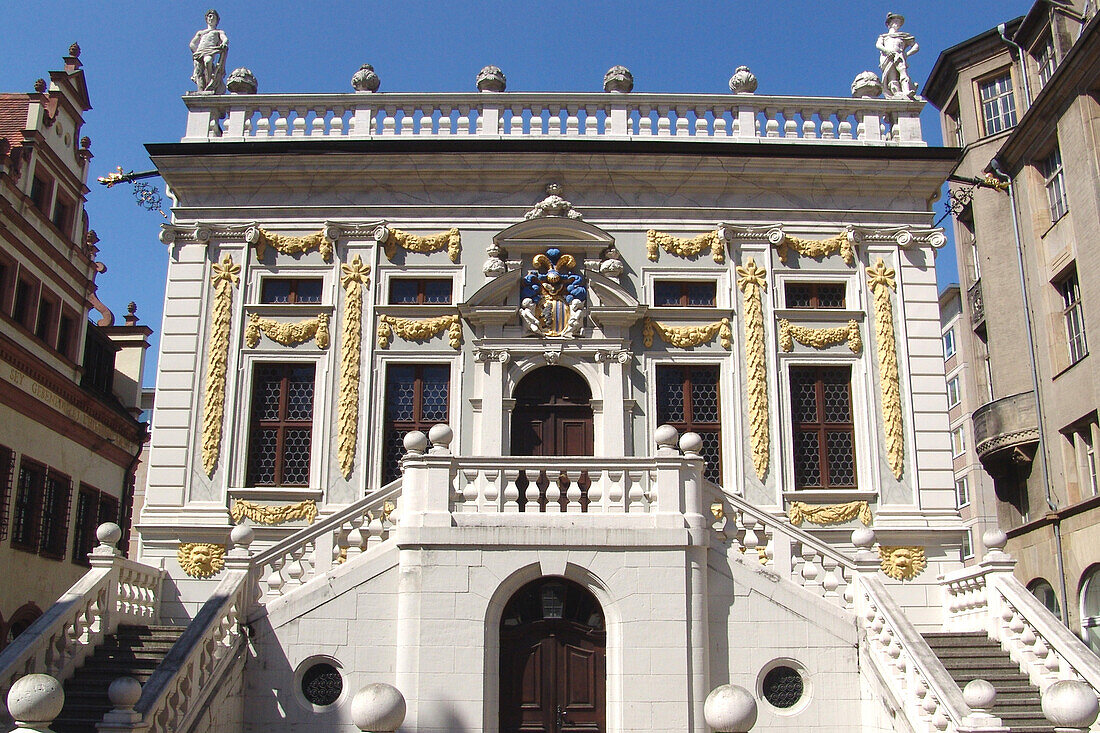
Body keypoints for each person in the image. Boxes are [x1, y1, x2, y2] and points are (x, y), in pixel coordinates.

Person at [876, 13, 919, 99]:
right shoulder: (884, 36)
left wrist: (906, 54)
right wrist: (887, 51)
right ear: (889, 24)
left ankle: (906, 90)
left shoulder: (903, 36)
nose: (897, 24)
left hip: (899, 56)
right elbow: (878, 45)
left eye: (899, 22)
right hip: (887, 57)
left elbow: (916, 46)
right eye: (895, 21)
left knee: (903, 72)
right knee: (892, 76)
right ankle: (897, 93)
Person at [191, 9, 229, 93]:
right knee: (199, 72)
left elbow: (225, 39)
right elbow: (192, 43)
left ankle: (210, 84)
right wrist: (196, 51)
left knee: (208, 61)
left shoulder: (218, 31)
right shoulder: (201, 32)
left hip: (210, 50)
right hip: (200, 52)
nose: (211, 18)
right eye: (209, 16)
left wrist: (224, 43)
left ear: (217, 20)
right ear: (206, 19)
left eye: (213, 16)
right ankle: (201, 90)